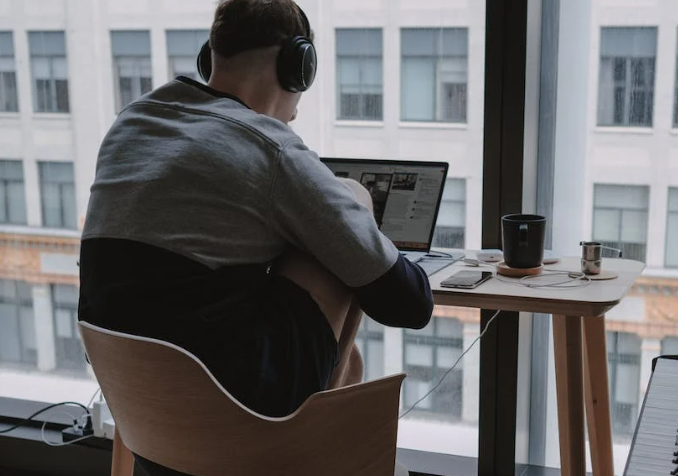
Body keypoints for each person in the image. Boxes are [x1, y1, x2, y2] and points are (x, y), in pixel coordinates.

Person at [78, 0, 433, 473]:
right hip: (237, 422)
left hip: (140, 412)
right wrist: (347, 225)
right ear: (297, 64)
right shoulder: (271, 149)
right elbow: (409, 304)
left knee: (351, 364)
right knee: (349, 196)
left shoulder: (131, 123)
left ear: (210, 57)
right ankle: (313, 449)